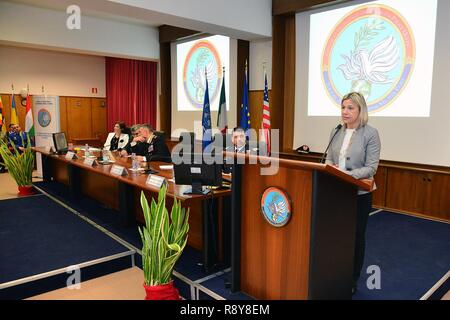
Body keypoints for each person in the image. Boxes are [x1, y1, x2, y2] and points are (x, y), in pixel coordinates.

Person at [325, 92, 381, 295]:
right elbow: (329, 159)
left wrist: (346, 175)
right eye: (343, 107)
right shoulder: (336, 130)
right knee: (335, 235)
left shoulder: (370, 133)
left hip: (359, 194)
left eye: (350, 108)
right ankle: (334, 271)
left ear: (360, 110)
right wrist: (330, 169)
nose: (345, 112)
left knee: (355, 237)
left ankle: (351, 278)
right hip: (336, 194)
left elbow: (371, 167)